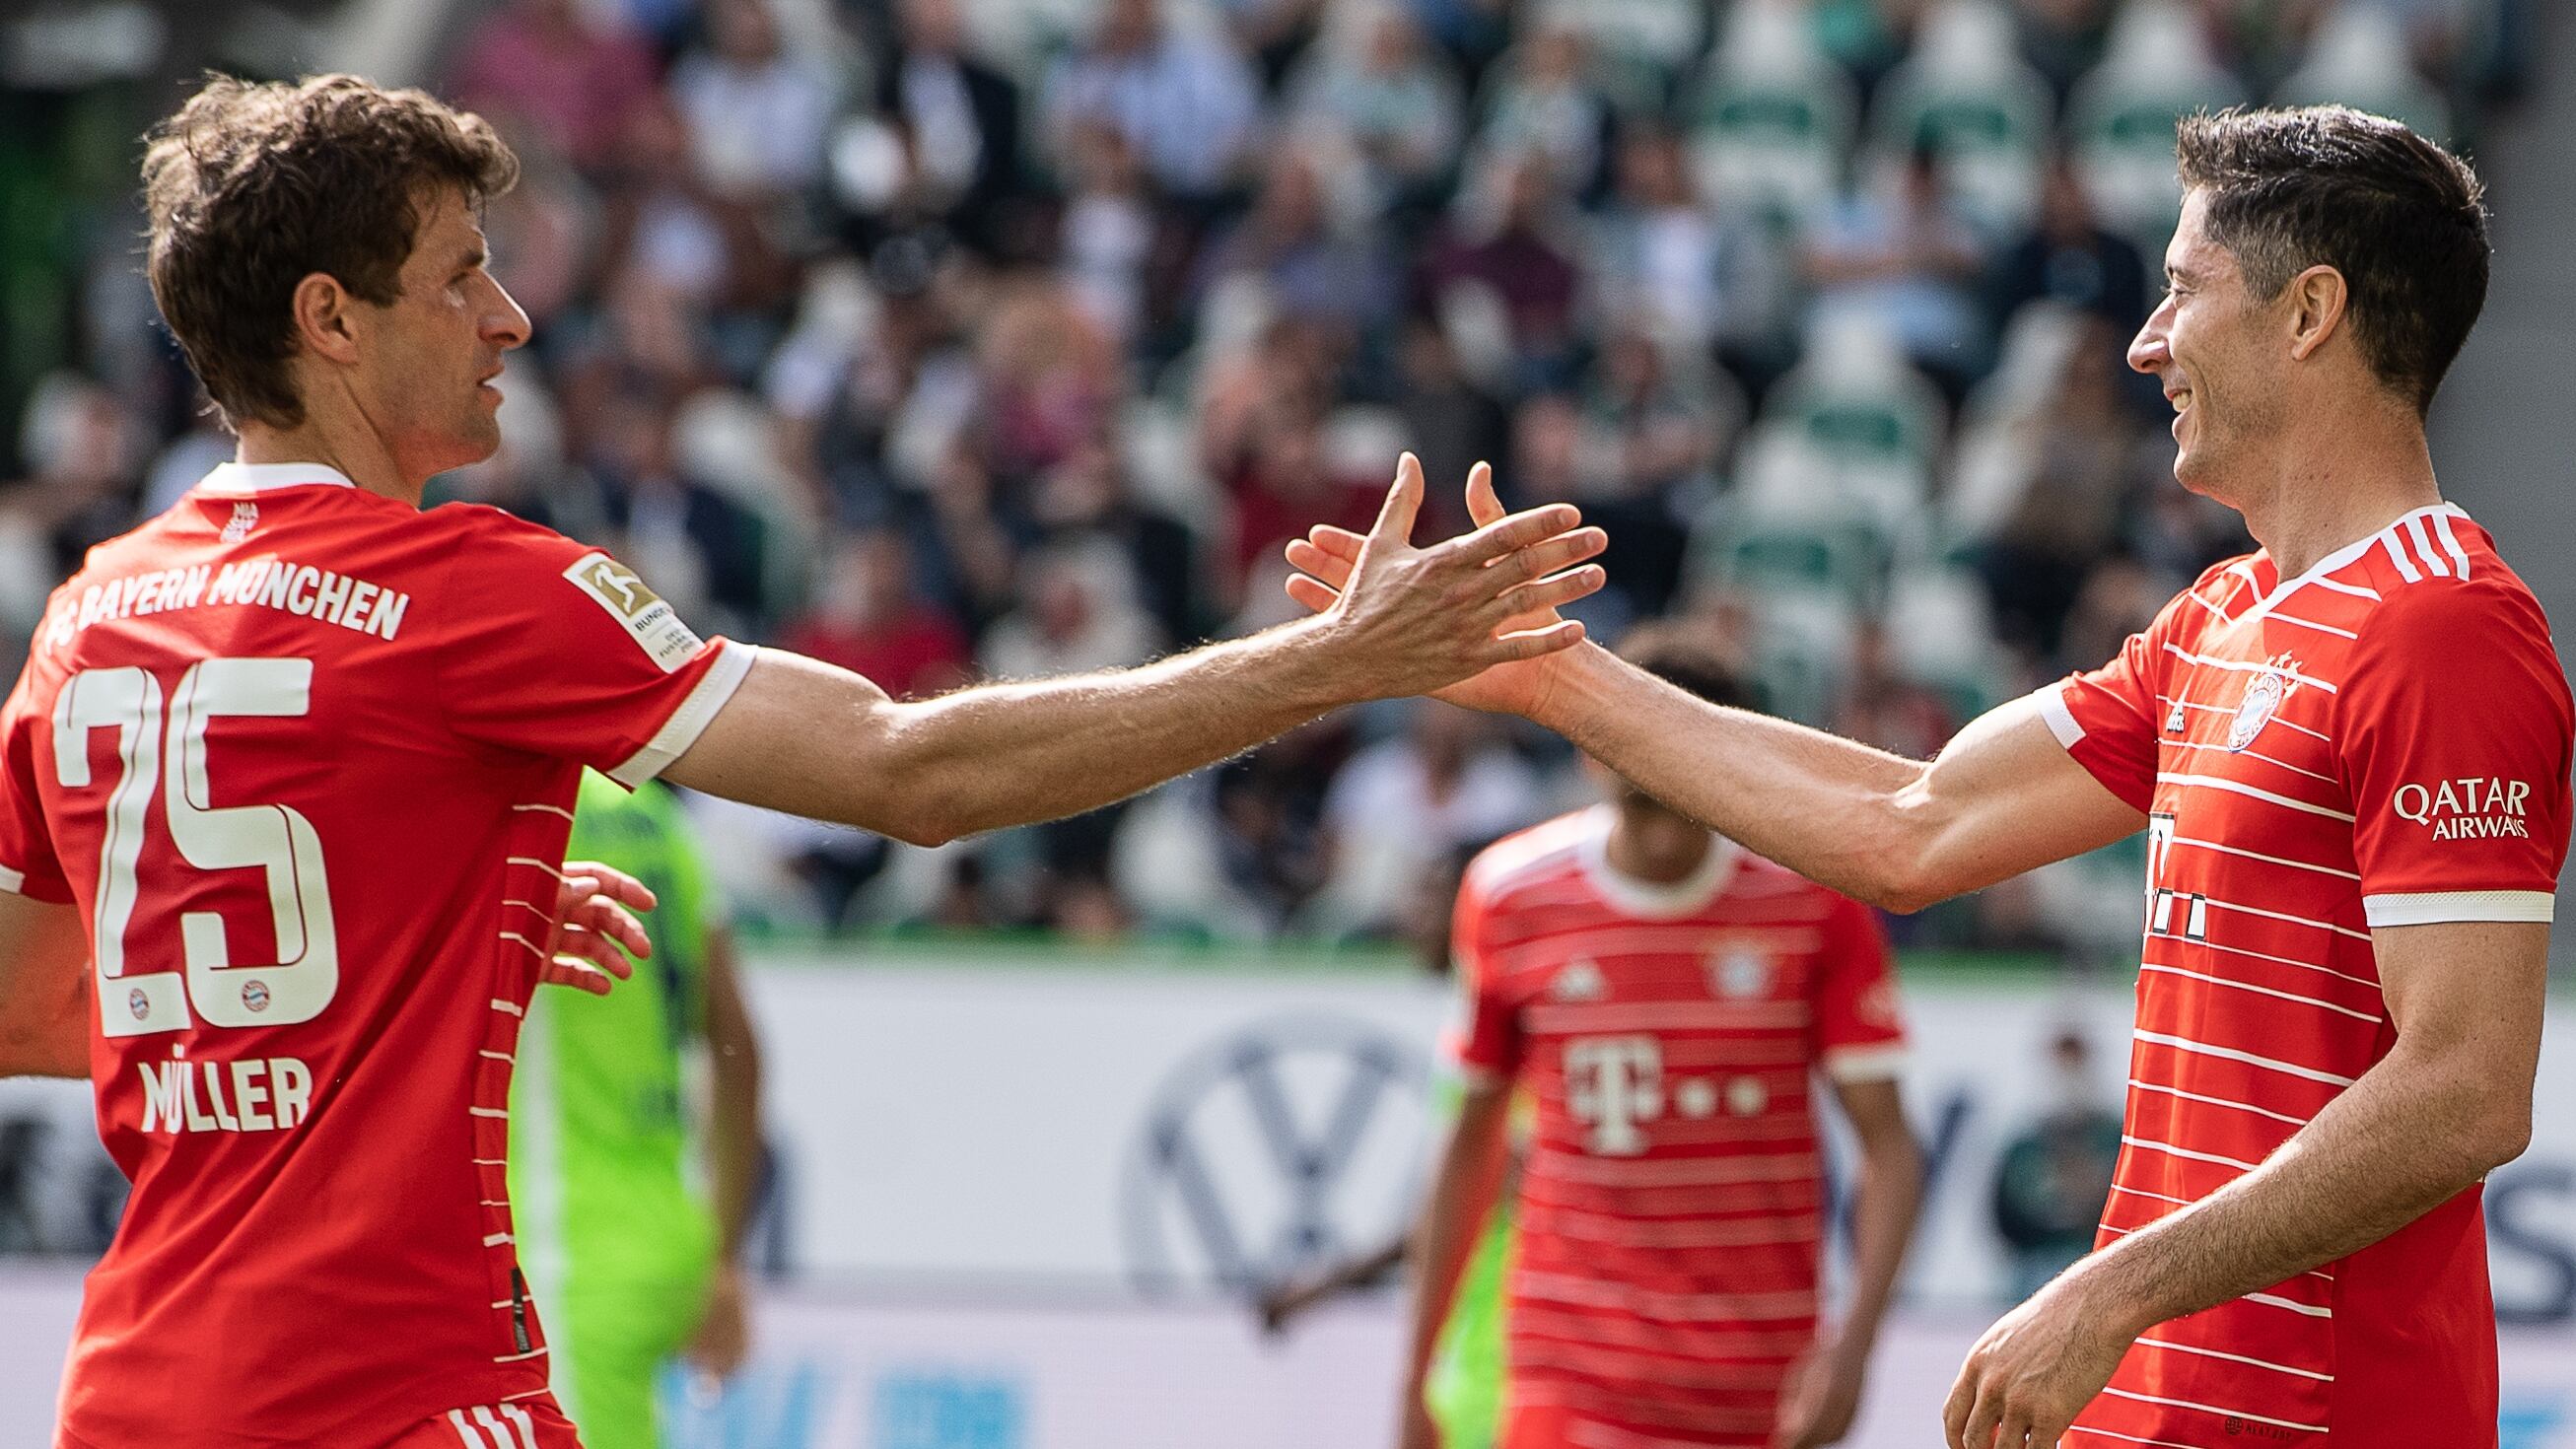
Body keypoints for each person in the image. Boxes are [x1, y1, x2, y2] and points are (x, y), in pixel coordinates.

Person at [0, 74, 1605, 1449]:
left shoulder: (97, 612)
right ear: (329, 320)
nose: (511, 316)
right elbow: (908, 774)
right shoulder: (468, 595)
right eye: (460, 276)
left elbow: (26, 1003)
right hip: (401, 1399)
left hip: (135, 1393)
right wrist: (1330, 660)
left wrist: (378, 965)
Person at [1285, 107, 2566, 1449]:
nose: (2144, 342)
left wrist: (2111, 1287)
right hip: (2154, 1405)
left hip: (2327, 1417)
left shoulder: (2443, 631)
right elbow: (1913, 820)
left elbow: (2465, 1087)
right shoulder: (2226, 615)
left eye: (2181, 290)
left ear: (2309, 312)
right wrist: (1560, 681)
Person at [1397, 628, 1923, 1449]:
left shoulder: (1817, 904)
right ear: (1592, 755)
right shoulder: (1508, 894)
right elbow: (1471, 1144)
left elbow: (1887, 1145)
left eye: (1689, 781)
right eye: (1644, 777)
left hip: (1757, 1383)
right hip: (1564, 1372)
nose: (1666, 812)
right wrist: (1415, 1377)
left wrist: (1853, 1349)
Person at [509, 772, 762, 1449]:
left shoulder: (520, 808)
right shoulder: (654, 814)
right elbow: (739, 1047)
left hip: (560, 1244)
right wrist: (723, 1257)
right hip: (662, 1227)